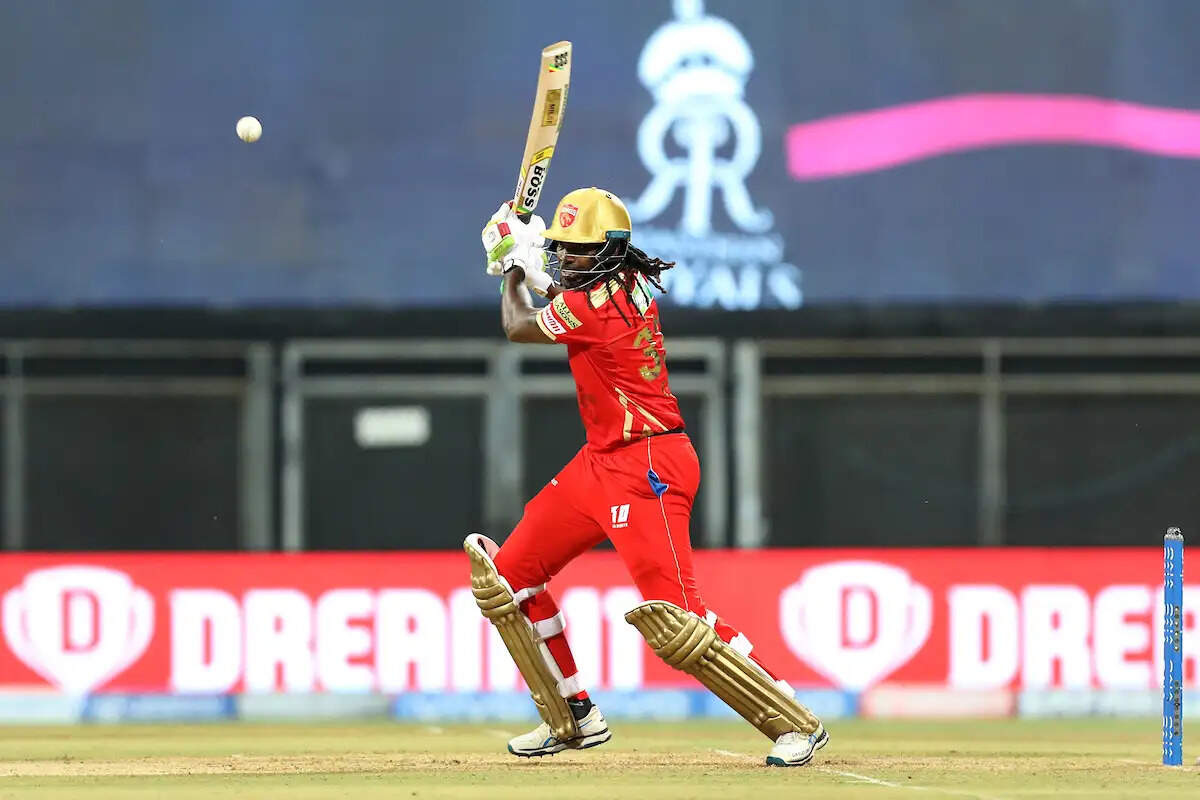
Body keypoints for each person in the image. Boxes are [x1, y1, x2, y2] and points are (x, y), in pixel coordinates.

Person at [465, 188, 828, 767]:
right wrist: (531, 262)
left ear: (608, 252)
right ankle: (572, 716)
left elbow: (518, 325)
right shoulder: (618, 285)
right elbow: (565, 295)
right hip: (600, 461)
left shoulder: (597, 309)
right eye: (562, 248)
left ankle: (792, 720)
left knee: (678, 619)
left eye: (578, 250)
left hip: (648, 465)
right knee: (509, 579)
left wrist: (512, 267)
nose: (568, 258)